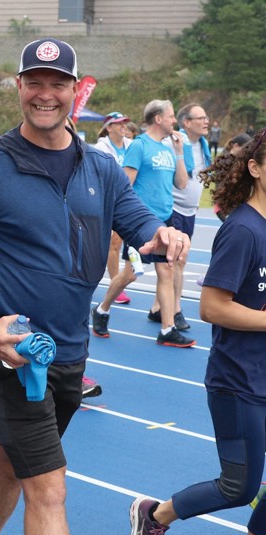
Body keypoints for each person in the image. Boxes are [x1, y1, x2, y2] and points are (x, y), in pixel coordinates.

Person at [0, 38, 190, 535]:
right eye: (34, 81)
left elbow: (134, 222)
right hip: (14, 353)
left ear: (75, 92)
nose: (45, 94)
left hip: (71, 353)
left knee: (12, 460)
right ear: (18, 87)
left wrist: (160, 234)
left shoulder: (99, 168)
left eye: (58, 83)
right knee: (48, 485)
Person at [128, 127, 266, 535]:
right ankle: (156, 515)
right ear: (255, 167)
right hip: (239, 382)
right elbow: (211, 307)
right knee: (238, 486)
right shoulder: (244, 229)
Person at [90, 99, 195, 348]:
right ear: (158, 118)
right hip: (140, 223)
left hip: (165, 220)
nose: (174, 121)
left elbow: (181, 183)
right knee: (131, 274)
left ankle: (167, 329)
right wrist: (123, 220)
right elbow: (124, 185)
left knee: (166, 270)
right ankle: (102, 309)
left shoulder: (169, 148)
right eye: (171, 117)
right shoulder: (139, 146)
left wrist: (179, 153)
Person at [160, 103, 211, 330]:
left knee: (174, 262)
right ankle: (176, 310)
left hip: (190, 211)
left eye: (206, 117)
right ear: (186, 123)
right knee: (176, 261)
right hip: (174, 209)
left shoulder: (204, 144)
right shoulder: (172, 143)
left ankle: (156, 307)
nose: (206, 121)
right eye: (200, 118)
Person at [94, 112, 133, 305]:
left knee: (121, 244)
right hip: (109, 201)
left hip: (128, 201)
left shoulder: (131, 145)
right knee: (114, 244)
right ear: (109, 127)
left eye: (125, 122)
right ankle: (115, 285)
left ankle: (116, 282)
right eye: (119, 124)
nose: (123, 126)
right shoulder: (102, 148)